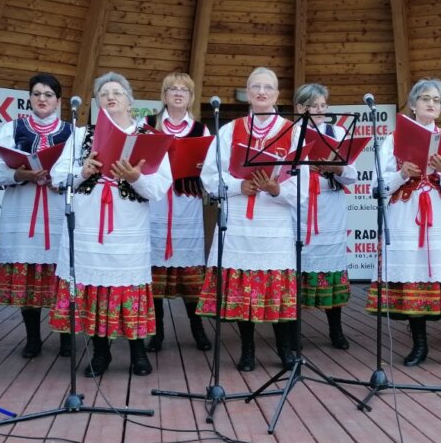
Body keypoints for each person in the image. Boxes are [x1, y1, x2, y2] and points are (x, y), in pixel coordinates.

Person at [50, 72, 171, 377]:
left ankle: (138, 352)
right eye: (103, 94)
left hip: (128, 228)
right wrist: (82, 171)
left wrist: (136, 177)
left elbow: (159, 188)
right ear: (97, 102)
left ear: (130, 100)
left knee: (128, 288)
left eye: (117, 92)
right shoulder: (79, 136)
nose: (110, 97)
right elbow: (56, 177)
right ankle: (100, 353)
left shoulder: (149, 138)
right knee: (94, 289)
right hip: (89, 226)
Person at [366, 79, 441, 368]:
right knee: (413, 277)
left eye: (437, 100)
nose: (431, 103)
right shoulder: (394, 139)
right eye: (425, 98)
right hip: (407, 215)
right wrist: (402, 174)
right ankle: (420, 346)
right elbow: (377, 188)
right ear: (413, 104)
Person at [197, 67, 301, 372]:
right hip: (240, 219)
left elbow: (302, 182)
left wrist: (276, 188)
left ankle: (284, 348)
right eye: (255, 86)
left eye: (268, 87)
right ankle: (247, 348)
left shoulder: (292, 131)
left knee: (277, 288)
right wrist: (235, 185)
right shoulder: (229, 130)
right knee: (245, 291)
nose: (262, 92)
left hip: (275, 221)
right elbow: (209, 176)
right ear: (247, 92)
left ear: (277, 94)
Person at [0, 73, 77, 359]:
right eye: (37, 93)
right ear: (29, 98)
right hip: (22, 210)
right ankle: (32, 338)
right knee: (29, 279)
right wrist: (19, 173)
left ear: (59, 101)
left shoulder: (72, 131)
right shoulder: (11, 128)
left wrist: (61, 179)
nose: (42, 99)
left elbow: (82, 173)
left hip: (57, 212)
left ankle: (66, 337)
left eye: (48, 94)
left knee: (61, 275)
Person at [144, 72, 212, 353]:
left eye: (185, 89)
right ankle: (157, 333)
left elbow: (209, 169)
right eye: (172, 88)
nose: (178, 93)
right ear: (164, 94)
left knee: (189, 273)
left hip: (186, 205)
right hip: (155, 204)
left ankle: (198, 330)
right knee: (154, 268)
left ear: (191, 97)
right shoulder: (147, 125)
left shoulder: (200, 129)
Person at [292, 83, 354, 350]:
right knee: (297, 263)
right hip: (301, 204)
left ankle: (336, 330)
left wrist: (334, 167)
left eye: (323, 105)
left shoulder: (338, 132)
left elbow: (351, 174)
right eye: (312, 105)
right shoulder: (291, 133)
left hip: (330, 204)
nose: (319, 110)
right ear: (300, 108)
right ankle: (293, 332)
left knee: (331, 266)